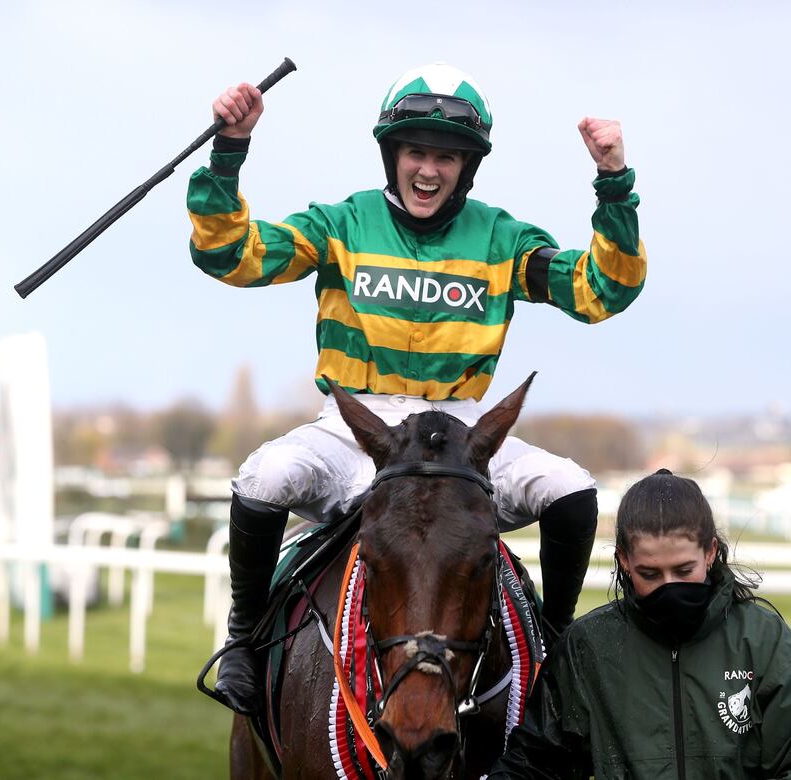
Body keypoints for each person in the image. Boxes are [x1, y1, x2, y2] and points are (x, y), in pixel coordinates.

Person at [186, 62, 647, 715]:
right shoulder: (341, 223)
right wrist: (229, 151)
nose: (429, 169)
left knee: (570, 488)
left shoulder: (501, 238)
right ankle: (243, 644)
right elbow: (231, 255)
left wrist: (612, 180)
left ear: (468, 167)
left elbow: (604, 291)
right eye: (416, 152)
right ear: (392, 154)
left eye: (447, 157)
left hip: (461, 432)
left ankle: (555, 646)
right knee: (264, 478)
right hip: (355, 428)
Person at [488, 469, 791, 779]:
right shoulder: (588, 646)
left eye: (684, 570)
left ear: (710, 552)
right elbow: (537, 764)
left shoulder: (764, 639)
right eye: (650, 574)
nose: (669, 585)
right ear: (624, 560)